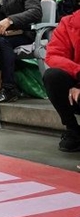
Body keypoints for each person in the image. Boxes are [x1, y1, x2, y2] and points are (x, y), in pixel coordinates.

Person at [43, 9, 80, 152]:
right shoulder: (68, 22)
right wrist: (77, 74)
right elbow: (53, 55)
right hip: (75, 83)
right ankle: (73, 130)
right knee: (52, 76)